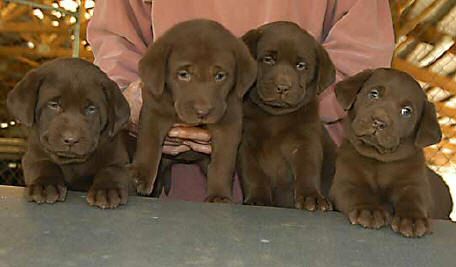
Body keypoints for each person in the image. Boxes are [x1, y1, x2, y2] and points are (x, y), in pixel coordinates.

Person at [87, 0, 395, 202]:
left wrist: (248, 113)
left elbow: (358, 62)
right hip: (178, 181)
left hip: (297, 179)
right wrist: (132, 100)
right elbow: (118, 40)